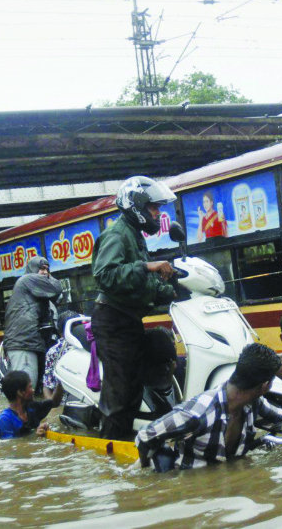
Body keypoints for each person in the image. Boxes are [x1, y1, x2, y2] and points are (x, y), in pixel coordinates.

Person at [135, 343, 282, 471]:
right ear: (265, 385)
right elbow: (145, 437)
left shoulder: (253, 403)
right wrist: (151, 469)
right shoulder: (198, 413)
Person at [92, 176, 178, 440]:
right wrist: (147, 266)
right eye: (153, 207)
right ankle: (110, 452)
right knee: (119, 396)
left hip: (128, 321)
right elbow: (105, 275)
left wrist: (172, 290)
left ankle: (131, 444)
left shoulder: (134, 235)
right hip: (113, 321)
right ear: (136, 205)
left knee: (134, 389)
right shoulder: (117, 234)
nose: (158, 213)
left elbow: (142, 284)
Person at [1, 255, 66, 391]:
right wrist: (49, 277)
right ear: (32, 269)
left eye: (47, 269)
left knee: (36, 390)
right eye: (41, 268)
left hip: (34, 342)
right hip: (23, 342)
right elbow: (57, 287)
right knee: (25, 390)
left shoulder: (37, 290)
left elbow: (57, 297)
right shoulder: (27, 279)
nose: (45, 272)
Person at [0, 370, 64, 439]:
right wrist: (35, 435)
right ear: (20, 392)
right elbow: (11, 444)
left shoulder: (32, 408)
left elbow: (54, 403)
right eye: (30, 387)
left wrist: (61, 382)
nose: (33, 390)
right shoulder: (5, 419)